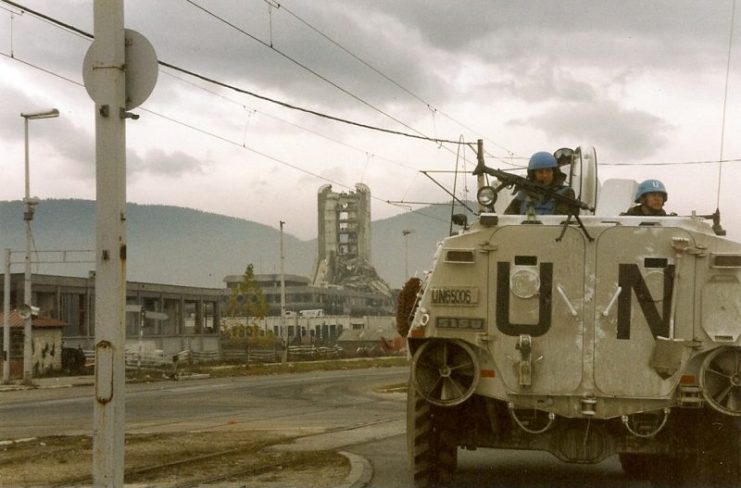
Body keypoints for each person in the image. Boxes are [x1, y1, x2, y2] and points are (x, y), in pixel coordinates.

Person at [504, 151, 575, 215]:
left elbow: (561, 222)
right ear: (533, 174)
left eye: (548, 171)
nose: (545, 175)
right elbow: (507, 217)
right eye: (540, 172)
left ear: (554, 172)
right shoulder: (524, 194)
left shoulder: (565, 193)